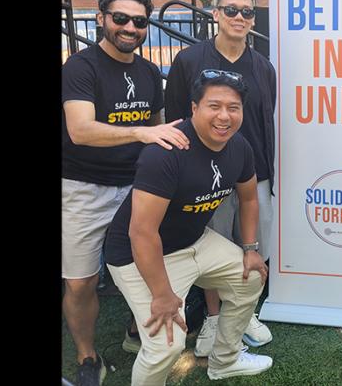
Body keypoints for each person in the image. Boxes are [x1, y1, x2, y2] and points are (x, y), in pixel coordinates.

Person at [104, 70, 273, 384]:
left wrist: (250, 249)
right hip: (137, 254)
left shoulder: (239, 147)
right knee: (166, 346)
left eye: (233, 108)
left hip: (194, 241)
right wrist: (162, 294)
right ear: (194, 107)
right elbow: (141, 232)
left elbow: (249, 199)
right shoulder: (165, 153)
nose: (224, 116)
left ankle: (225, 361)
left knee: (250, 278)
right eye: (214, 106)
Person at [62, 0, 190, 386]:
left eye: (139, 21)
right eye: (120, 18)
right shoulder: (81, 67)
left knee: (147, 263)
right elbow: (81, 130)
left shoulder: (150, 71)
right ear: (102, 18)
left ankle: (138, 333)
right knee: (81, 281)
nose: (130, 27)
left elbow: (159, 130)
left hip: (136, 187)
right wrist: (140, 134)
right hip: (85, 186)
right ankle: (88, 357)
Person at [163, 0, 276, 356]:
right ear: (216, 14)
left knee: (252, 243)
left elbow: (263, 118)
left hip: (253, 171)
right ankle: (213, 318)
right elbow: (179, 115)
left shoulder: (263, 67)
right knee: (208, 244)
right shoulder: (189, 61)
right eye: (231, 10)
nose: (239, 17)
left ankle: (242, 316)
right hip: (202, 174)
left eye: (246, 11)